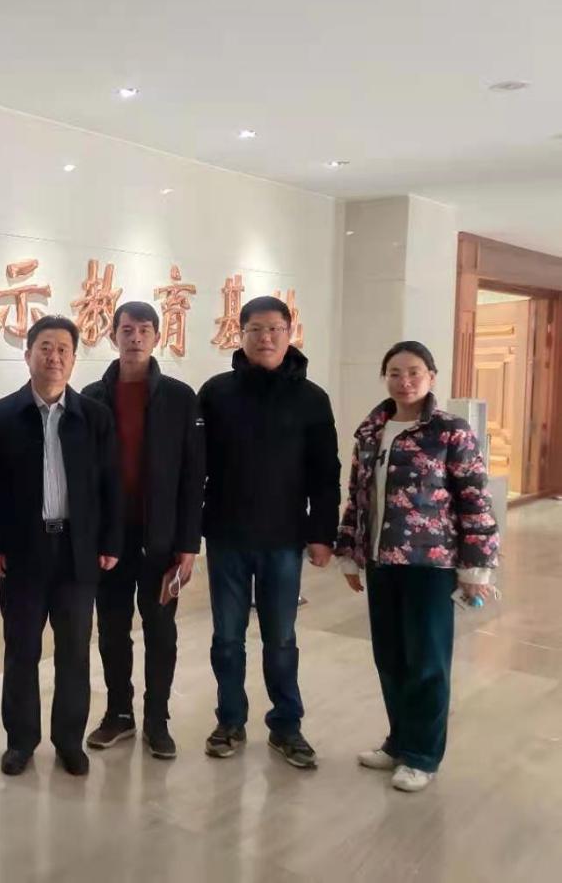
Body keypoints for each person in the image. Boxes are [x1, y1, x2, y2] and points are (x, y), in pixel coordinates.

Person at [335, 341, 499, 792]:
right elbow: (358, 496)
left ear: (431, 377)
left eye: (413, 372)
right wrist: (349, 551)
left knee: (426, 661)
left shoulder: (450, 431)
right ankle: (399, 742)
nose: (404, 381)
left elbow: (474, 500)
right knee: (390, 658)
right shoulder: (372, 430)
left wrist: (476, 568)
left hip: (431, 563)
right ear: (384, 377)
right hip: (381, 560)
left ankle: (422, 755)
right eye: (394, 372)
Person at [198, 295, 340, 768]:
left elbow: (326, 472)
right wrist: (190, 529)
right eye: (255, 329)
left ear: (289, 333)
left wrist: (322, 533)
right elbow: (195, 466)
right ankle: (230, 721)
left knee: (280, 638)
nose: (265, 338)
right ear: (240, 334)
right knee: (227, 638)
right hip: (227, 536)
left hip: (284, 537)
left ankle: (286, 725)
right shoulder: (216, 393)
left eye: (275, 329)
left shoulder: (312, 398)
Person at [0, 315, 123, 777]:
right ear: (28, 355)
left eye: (63, 349)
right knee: (21, 650)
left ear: (74, 359)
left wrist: (111, 541)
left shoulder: (95, 417)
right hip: (23, 552)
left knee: (74, 652)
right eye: (45, 347)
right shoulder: (1, 416)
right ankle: (20, 742)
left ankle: (68, 741)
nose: (54, 357)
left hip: (77, 553)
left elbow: (111, 485)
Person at [82, 302, 205, 759]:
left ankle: (157, 719)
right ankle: (119, 713)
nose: (135, 338)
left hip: (162, 540)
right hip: (109, 541)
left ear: (157, 337)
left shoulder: (180, 397)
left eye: (145, 330)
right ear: (112, 335)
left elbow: (193, 476)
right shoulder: (92, 397)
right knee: (112, 628)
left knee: (160, 630)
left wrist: (188, 543)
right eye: (127, 330)